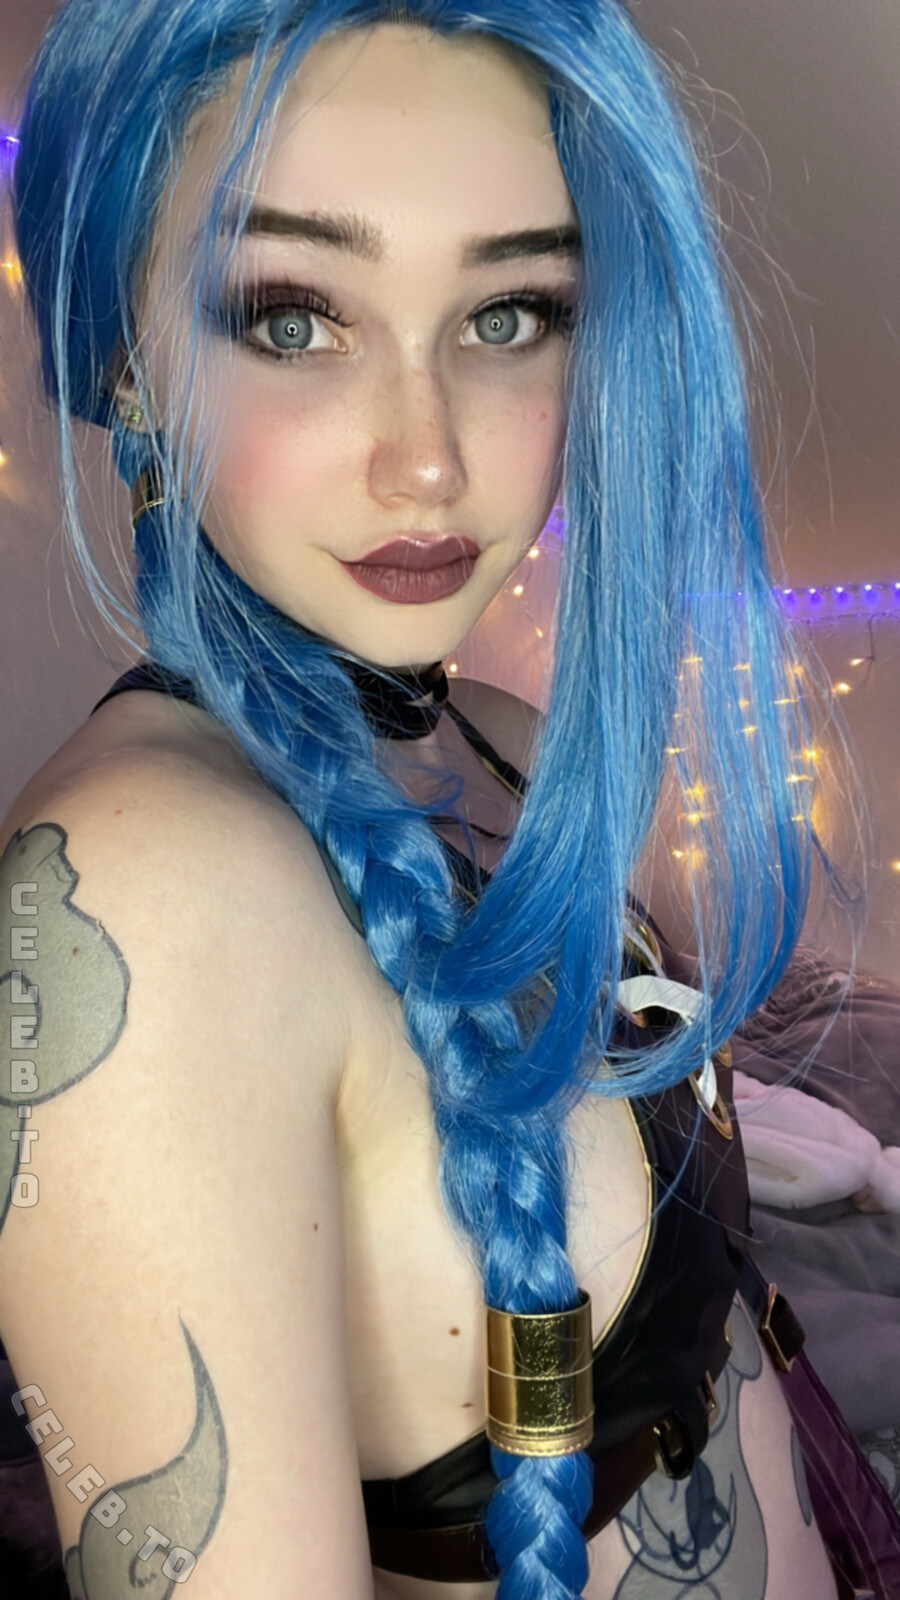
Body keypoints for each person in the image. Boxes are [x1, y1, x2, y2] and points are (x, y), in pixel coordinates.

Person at [0, 2, 888, 1596]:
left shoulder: (507, 738)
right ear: (127, 365)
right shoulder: (143, 901)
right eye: (292, 319)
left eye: (508, 313)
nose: (429, 462)